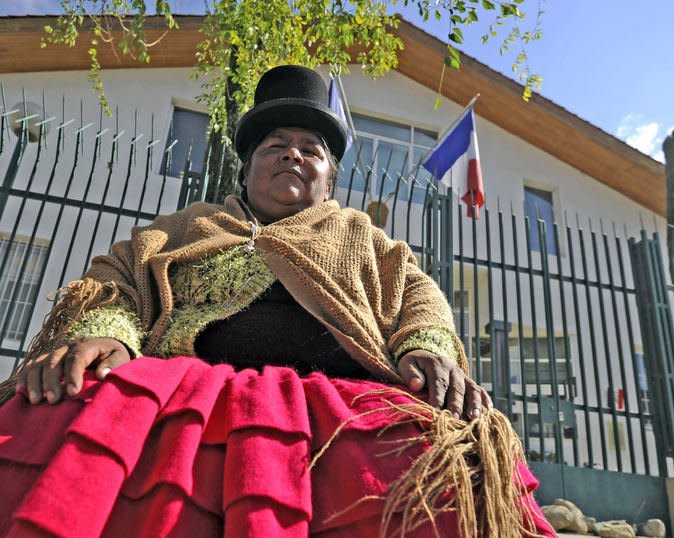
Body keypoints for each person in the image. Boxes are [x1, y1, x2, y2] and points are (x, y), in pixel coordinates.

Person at [0, 65, 554, 537]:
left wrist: (424, 346)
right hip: (185, 380)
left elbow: (419, 296)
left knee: (446, 458)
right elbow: (115, 278)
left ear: (329, 181)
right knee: (63, 408)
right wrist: (109, 332)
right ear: (246, 169)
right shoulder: (181, 228)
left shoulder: (366, 238)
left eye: (311, 150)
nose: (293, 154)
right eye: (275, 146)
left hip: (347, 396)